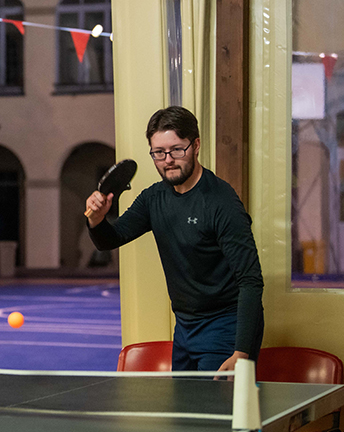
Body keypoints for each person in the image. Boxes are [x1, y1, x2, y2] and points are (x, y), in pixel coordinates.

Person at [85, 106, 264, 374]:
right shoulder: (153, 198)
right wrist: (96, 220)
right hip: (184, 326)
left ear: (196, 145)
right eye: (158, 153)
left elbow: (251, 280)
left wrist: (242, 351)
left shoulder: (221, 202)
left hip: (225, 326)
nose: (168, 159)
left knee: (217, 413)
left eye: (177, 149)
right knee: (185, 412)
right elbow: (111, 239)